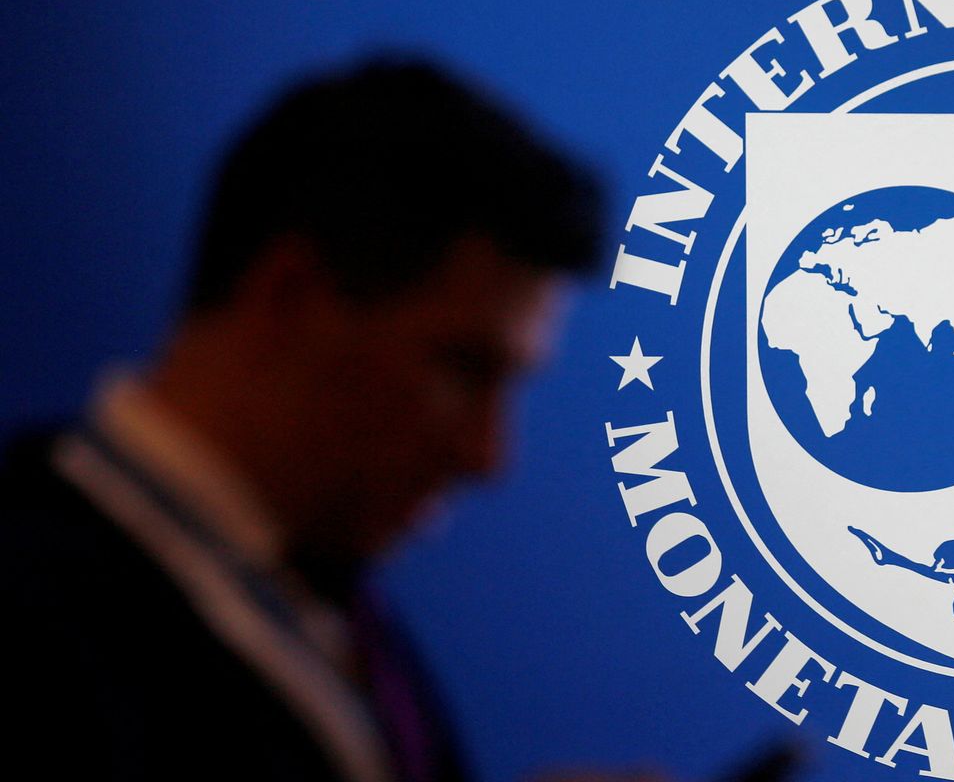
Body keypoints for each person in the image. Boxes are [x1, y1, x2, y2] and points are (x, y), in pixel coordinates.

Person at [2, 57, 600, 781]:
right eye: (461, 369)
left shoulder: (330, 599)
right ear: (288, 295)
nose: (489, 455)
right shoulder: (29, 604)